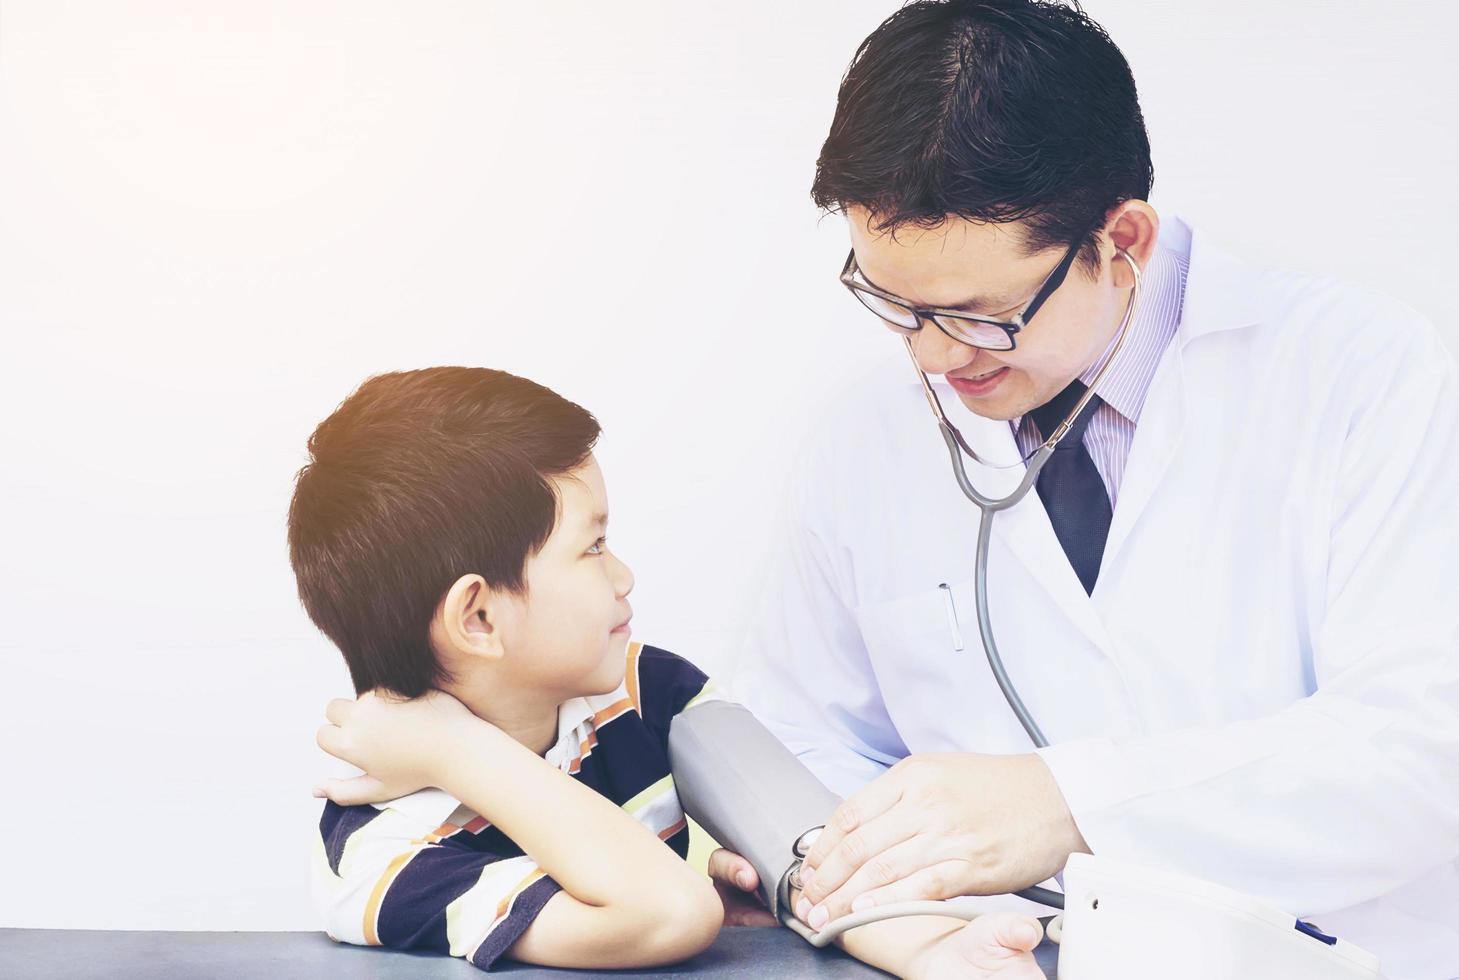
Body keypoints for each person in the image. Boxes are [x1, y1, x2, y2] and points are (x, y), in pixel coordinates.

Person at [733, 3, 1459, 978]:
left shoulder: (1365, 375)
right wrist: (908, 921)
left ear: (1122, 241)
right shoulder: (862, 430)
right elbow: (798, 736)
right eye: (893, 303)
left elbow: (1419, 750)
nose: (931, 357)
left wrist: (1065, 804)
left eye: (977, 316)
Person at [291, 365, 1050, 978]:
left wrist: (930, 951)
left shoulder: (645, 690)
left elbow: (815, 855)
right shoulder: (385, 857)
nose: (622, 575)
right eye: (591, 548)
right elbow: (668, 914)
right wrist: (460, 751)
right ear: (479, 618)